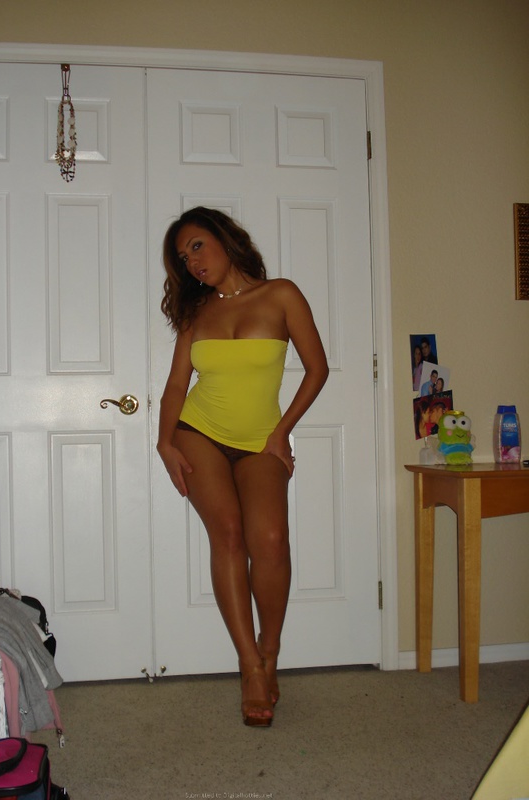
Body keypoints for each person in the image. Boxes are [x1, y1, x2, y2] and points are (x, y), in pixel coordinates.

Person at [157, 207, 329, 727]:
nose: (192, 262)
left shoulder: (281, 295)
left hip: (262, 440)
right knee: (228, 535)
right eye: (183, 258)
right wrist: (164, 442)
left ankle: (269, 650)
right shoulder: (196, 313)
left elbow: (317, 369)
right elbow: (176, 385)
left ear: (225, 238)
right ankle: (250, 666)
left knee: (271, 539)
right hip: (199, 432)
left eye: (197, 246)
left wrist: (281, 432)